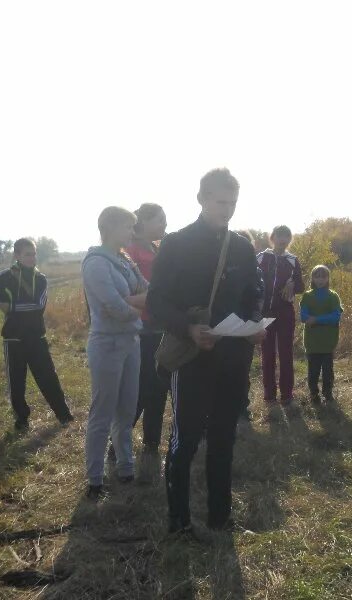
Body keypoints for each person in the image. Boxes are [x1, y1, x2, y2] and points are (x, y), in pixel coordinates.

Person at [147, 168, 265, 536]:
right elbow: (156, 302)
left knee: (224, 437)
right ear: (201, 199)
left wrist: (256, 324)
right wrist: (188, 328)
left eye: (233, 203)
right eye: (220, 203)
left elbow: (253, 294)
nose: (227, 210)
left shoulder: (244, 247)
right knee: (185, 439)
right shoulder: (177, 244)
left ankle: (220, 518)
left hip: (232, 359)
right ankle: (179, 522)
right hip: (192, 359)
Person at [0, 238, 74, 430]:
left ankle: (64, 415)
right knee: (16, 383)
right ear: (17, 256)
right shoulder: (5, 276)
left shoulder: (41, 279)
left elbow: (38, 306)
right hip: (13, 338)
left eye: (34, 253)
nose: (32, 257)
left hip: (37, 337)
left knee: (48, 378)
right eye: (27, 254)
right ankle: (22, 418)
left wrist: (10, 307)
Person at [82, 207, 148, 500]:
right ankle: (95, 477)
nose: (132, 233)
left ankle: (125, 466)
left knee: (127, 409)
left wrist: (132, 302)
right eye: (127, 227)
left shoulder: (125, 260)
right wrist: (140, 308)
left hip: (130, 341)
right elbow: (114, 308)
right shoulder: (96, 263)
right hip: (107, 343)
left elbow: (150, 291)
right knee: (103, 411)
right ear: (109, 228)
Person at [125, 203, 170, 456]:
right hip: (141, 328)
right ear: (143, 223)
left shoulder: (156, 248)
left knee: (159, 384)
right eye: (160, 220)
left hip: (160, 326)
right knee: (142, 386)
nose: (165, 224)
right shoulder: (130, 252)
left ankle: (151, 441)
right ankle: (119, 438)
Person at [257, 226, 304, 406]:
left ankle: (287, 395)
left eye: (286, 236)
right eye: (279, 236)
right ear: (272, 237)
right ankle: (269, 395)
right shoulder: (261, 257)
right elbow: (252, 280)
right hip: (265, 313)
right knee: (267, 353)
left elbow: (301, 285)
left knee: (286, 353)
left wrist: (292, 284)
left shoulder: (293, 260)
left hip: (285, 313)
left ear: (290, 239)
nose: (283, 239)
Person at [299, 265, 342, 404]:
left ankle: (328, 393)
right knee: (313, 371)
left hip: (328, 341)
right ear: (312, 278)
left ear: (328, 278)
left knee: (328, 371)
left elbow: (336, 317)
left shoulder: (333, 296)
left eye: (323, 276)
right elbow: (304, 316)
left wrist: (316, 319)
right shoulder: (307, 296)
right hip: (312, 341)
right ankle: (314, 394)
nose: (320, 280)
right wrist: (322, 319)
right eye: (317, 276)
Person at [234, 229, 265, 421]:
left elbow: (260, 298)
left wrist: (255, 323)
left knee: (243, 369)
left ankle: (242, 409)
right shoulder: (221, 268)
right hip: (224, 327)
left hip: (247, 327)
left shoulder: (256, 271)